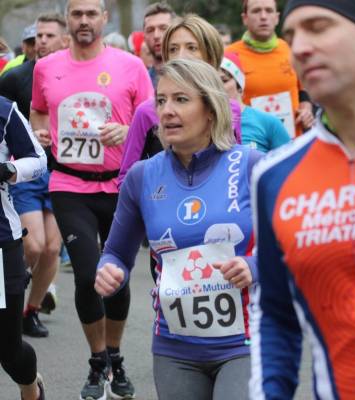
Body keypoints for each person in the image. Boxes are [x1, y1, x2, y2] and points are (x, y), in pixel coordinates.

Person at [251, 1, 355, 399]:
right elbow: (276, 316)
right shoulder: (274, 175)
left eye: (318, 27)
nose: (299, 48)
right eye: (292, 35)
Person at [96, 57, 263, 400]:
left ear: (211, 110)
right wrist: (109, 271)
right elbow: (116, 253)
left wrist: (254, 266)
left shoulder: (251, 166)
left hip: (246, 343)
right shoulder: (142, 176)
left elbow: (291, 249)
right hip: (175, 348)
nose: (167, 110)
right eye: (161, 100)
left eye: (181, 99)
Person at [30, 0, 153, 399]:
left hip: (120, 185)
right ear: (68, 17)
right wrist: (41, 133)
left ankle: (115, 355)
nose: (83, 20)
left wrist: (128, 131)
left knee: (115, 276)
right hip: (69, 184)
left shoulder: (130, 66)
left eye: (91, 13)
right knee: (87, 275)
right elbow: (38, 112)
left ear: (104, 17)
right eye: (76, 13)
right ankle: (97, 359)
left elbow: (151, 118)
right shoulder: (46, 67)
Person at [0, 13, 69, 337]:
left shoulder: (76, 74)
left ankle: (32, 310)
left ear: (65, 40)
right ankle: (13, 288)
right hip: (25, 174)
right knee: (35, 246)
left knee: (53, 248)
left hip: (65, 172)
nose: (40, 42)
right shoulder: (15, 77)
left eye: (48, 36)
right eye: (35, 37)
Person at [119, 14, 242, 186]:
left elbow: (235, 168)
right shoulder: (146, 112)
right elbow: (126, 180)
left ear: (211, 56)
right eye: (173, 49)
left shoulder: (230, 108)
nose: (181, 56)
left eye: (192, 48)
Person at [0, 97, 47, 399]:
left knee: (9, 351)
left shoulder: (4, 110)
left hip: (2, 243)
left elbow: (38, 160)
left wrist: (8, 169)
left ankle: (31, 389)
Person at [226, 0, 313, 137]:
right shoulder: (229, 55)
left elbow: (303, 87)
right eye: (256, 11)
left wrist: (306, 108)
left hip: (292, 141)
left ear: (277, 17)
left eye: (269, 10)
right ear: (245, 18)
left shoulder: (291, 48)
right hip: (253, 142)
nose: (263, 16)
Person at [220, 51, 290, 152]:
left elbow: (292, 160)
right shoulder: (205, 126)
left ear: (239, 85)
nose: (217, 87)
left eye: (224, 80)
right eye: (212, 82)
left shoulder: (268, 122)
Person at [142, 2, 176, 88]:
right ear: (144, 36)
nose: (156, 35)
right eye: (150, 30)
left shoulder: (193, 79)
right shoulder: (142, 83)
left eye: (163, 28)